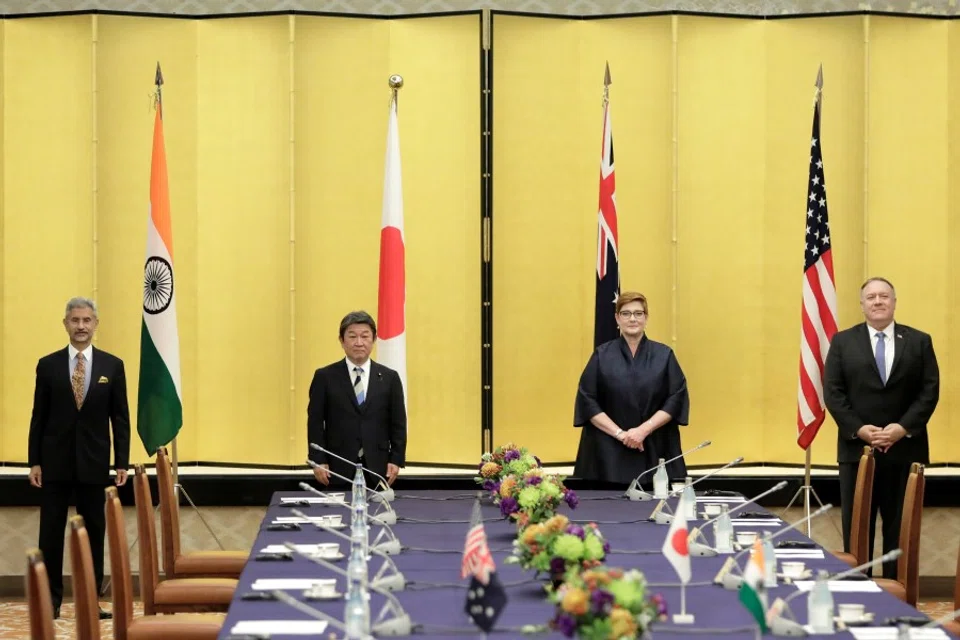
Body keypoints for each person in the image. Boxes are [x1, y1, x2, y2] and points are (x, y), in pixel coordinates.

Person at [824, 277, 939, 580]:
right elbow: (833, 393)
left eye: (884, 296)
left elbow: (929, 391)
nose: (878, 301)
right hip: (857, 452)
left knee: (899, 529)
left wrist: (902, 428)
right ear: (862, 305)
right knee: (857, 529)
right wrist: (860, 429)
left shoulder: (919, 341)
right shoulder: (842, 342)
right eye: (871, 297)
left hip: (905, 451)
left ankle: (897, 595)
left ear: (894, 302)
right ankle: (858, 591)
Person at [27, 297, 130, 619]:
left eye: (87, 320)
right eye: (75, 320)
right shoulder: (48, 365)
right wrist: (34, 461)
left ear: (96, 324)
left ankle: (90, 601)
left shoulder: (113, 366)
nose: (81, 326)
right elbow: (38, 416)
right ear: (65, 324)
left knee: (93, 535)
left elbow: (120, 417)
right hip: (53, 464)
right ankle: (50, 601)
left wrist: (122, 461)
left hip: (94, 464)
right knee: (51, 536)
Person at [573, 292, 691, 484]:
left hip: (653, 446)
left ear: (646, 318)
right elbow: (587, 400)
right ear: (617, 318)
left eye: (638, 313)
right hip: (608, 449)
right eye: (626, 313)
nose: (632, 319)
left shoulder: (664, 355)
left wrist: (642, 431)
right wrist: (621, 434)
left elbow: (676, 398)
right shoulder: (601, 355)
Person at [307, 311, 407, 489]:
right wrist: (317, 460)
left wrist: (396, 459)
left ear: (374, 339)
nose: (359, 342)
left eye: (365, 336)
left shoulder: (389, 377)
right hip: (336, 466)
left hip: (379, 466)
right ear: (342, 340)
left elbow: (398, 422)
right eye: (352, 336)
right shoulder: (325, 376)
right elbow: (315, 422)